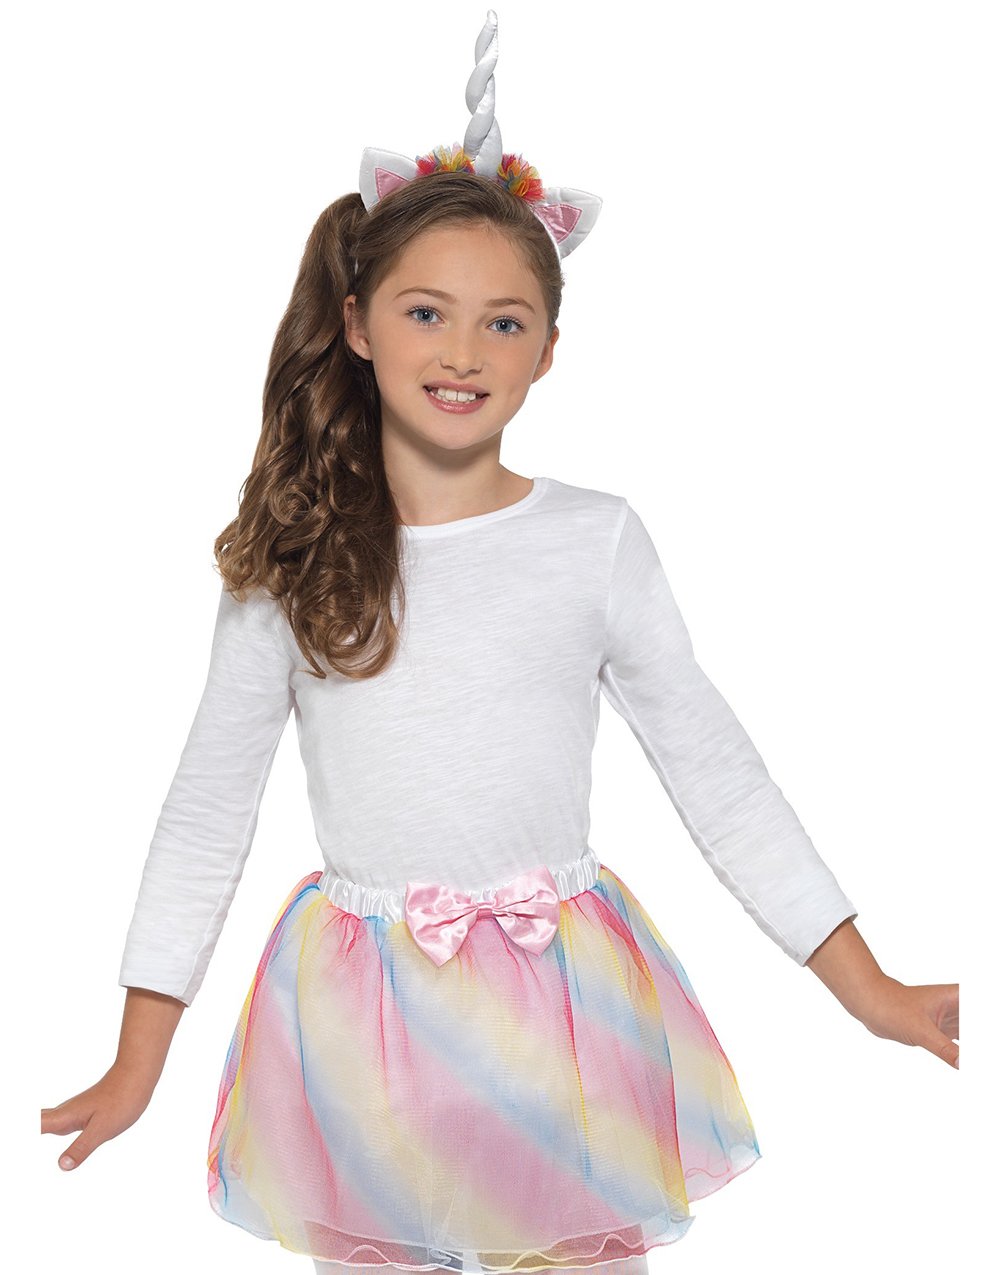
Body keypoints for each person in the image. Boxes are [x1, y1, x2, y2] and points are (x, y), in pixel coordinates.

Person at [40, 10, 958, 1275]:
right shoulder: (295, 554)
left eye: (504, 323)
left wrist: (867, 987)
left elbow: (718, 773)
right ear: (357, 322)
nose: (463, 353)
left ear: (549, 351)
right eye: (426, 313)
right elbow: (207, 813)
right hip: (364, 1028)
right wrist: (138, 1056)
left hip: (560, 1016)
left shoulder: (593, 540)